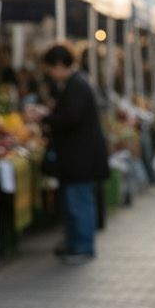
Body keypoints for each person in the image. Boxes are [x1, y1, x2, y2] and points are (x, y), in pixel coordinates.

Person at [37, 43, 110, 265]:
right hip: (77, 157)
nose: (50, 74)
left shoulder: (76, 85)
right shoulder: (75, 84)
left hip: (80, 158)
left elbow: (71, 118)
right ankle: (75, 244)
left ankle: (83, 247)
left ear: (59, 65)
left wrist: (46, 117)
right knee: (74, 202)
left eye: (50, 68)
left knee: (79, 202)